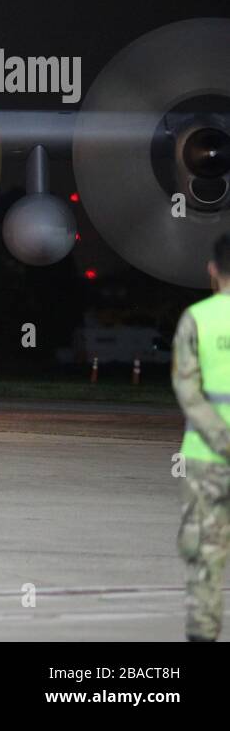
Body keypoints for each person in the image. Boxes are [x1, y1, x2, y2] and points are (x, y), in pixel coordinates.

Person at [172, 232, 230, 642]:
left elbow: (187, 389)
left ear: (212, 269)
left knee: (205, 555)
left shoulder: (197, 318)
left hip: (206, 457)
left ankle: (204, 635)